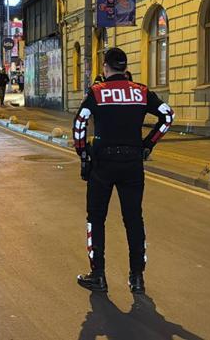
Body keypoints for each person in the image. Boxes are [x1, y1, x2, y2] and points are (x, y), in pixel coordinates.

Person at [73, 47, 174, 294]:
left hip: (102, 163)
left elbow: (80, 123)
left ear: (105, 67)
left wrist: (83, 153)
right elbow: (168, 116)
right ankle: (137, 277)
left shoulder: (97, 92)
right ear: (125, 67)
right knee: (133, 219)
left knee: (96, 218)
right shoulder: (141, 91)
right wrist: (148, 144)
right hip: (132, 163)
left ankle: (98, 275)